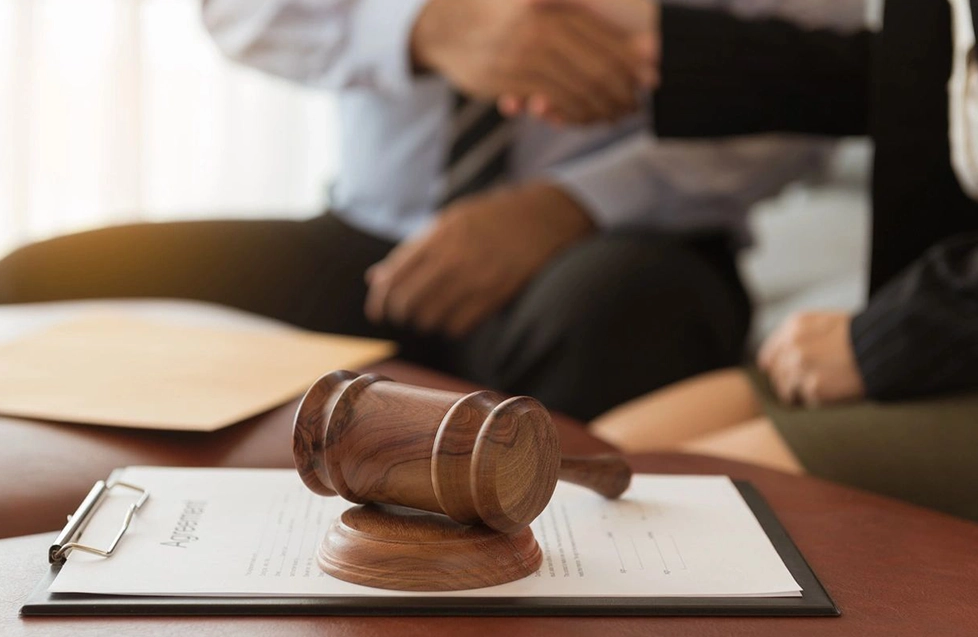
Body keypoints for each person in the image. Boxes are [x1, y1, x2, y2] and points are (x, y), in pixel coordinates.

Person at [0, 0, 835, 421]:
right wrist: (423, 25)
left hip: (628, 247)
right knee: (38, 282)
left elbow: (817, 100)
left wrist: (573, 202)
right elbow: (238, 12)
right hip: (371, 239)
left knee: (626, 310)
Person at [532, 0, 978, 520]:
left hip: (947, 324)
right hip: (948, 328)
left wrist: (887, 339)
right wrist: (659, 42)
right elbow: (921, 77)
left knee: (649, 505)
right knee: (589, 463)